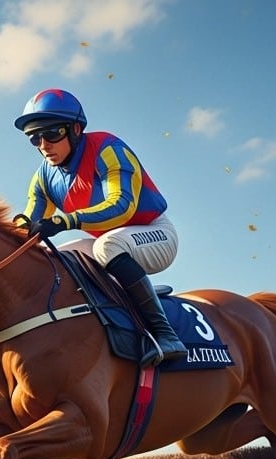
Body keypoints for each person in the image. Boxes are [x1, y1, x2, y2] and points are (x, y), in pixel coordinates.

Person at [11, 88, 186, 367]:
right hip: (109, 240)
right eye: (35, 138)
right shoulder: (43, 176)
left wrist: (65, 220)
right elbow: (29, 221)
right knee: (49, 259)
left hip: (155, 233)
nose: (44, 144)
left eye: (52, 133)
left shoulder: (107, 148)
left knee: (108, 246)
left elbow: (122, 205)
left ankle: (165, 335)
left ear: (76, 129)